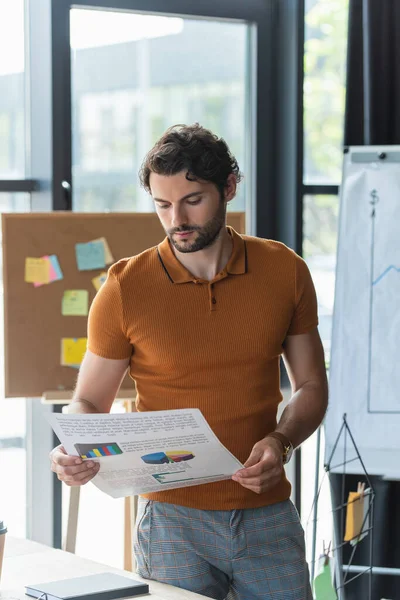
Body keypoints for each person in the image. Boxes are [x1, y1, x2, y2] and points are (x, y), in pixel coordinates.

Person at [50, 123, 328, 600]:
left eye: (192, 200)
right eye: (162, 204)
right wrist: (71, 449)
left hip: (267, 515)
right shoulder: (124, 287)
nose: (176, 218)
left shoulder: (285, 270)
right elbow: (89, 401)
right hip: (171, 522)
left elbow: (311, 386)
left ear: (229, 188)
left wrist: (281, 442)